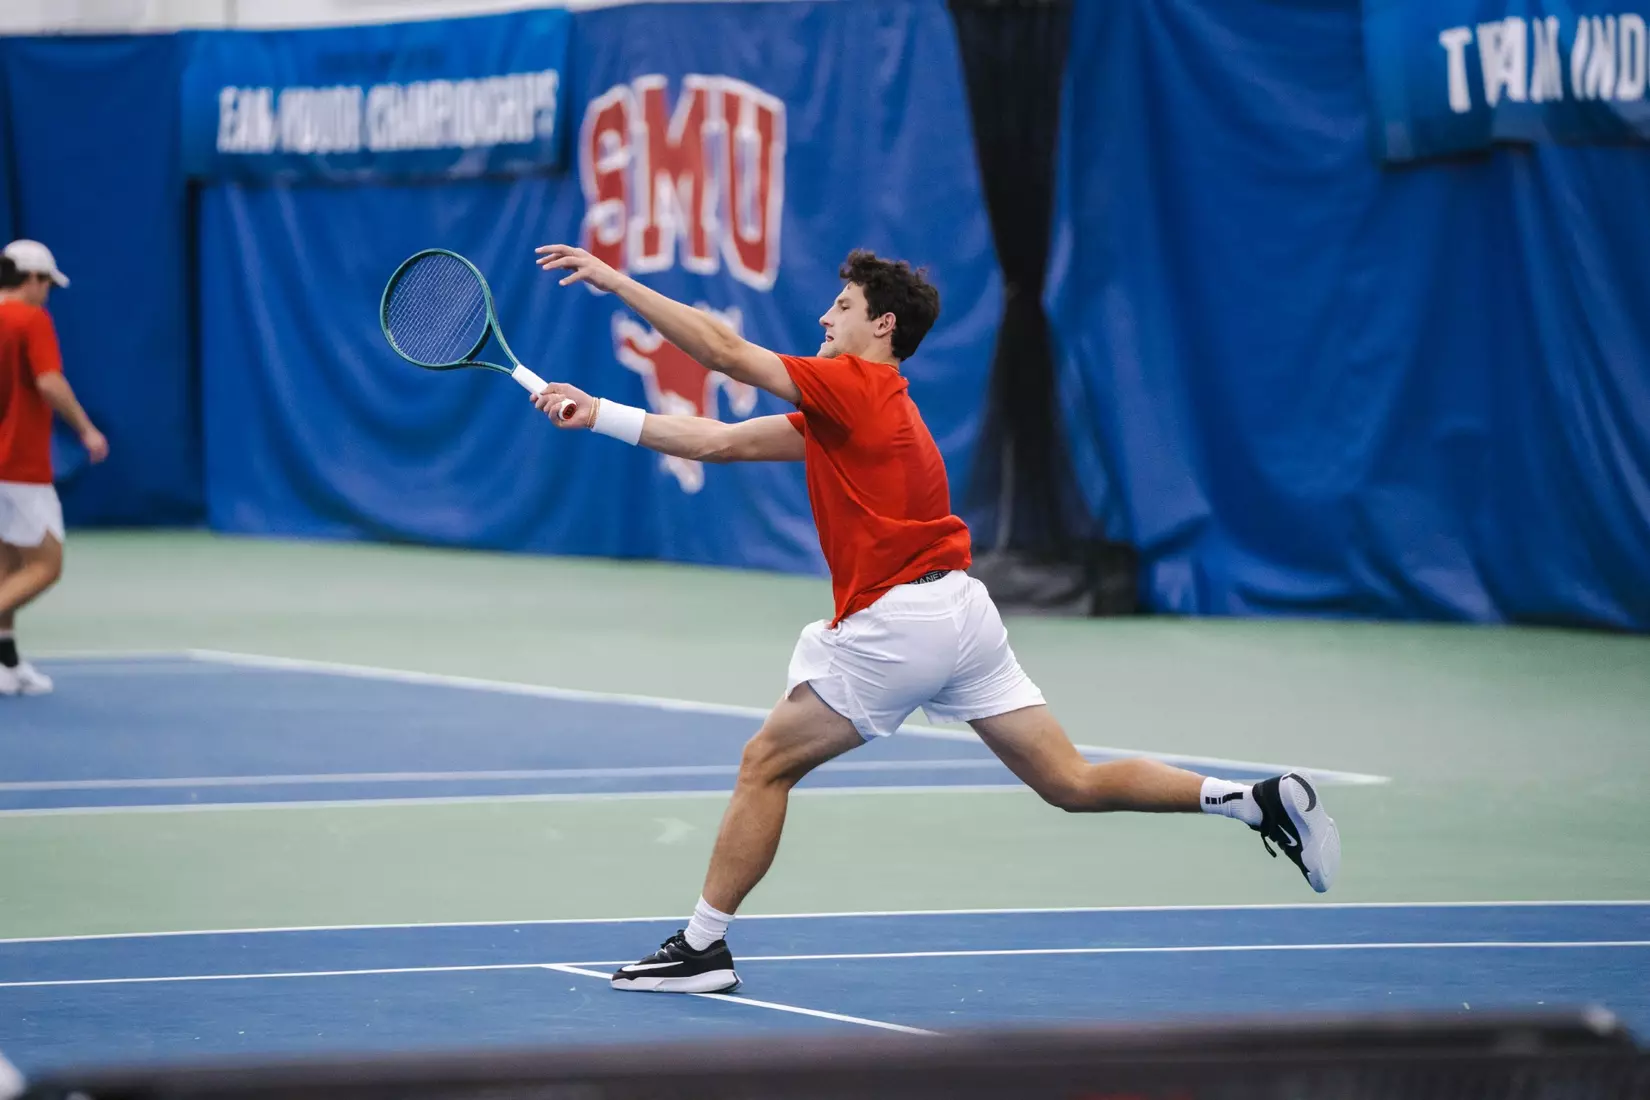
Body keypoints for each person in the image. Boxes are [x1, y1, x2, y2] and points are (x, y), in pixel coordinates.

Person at [530, 243, 1341, 994]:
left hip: (900, 625)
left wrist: (616, 281)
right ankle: (1250, 798)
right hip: (964, 616)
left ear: (881, 326)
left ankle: (703, 947)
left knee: (765, 765)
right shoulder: (862, 410)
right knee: (1071, 782)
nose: (824, 317)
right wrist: (595, 410)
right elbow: (720, 442)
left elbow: (724, 354)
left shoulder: (854, 386)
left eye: (840, 305)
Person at [0, 240, 108, 696]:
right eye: (47, 283)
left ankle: (5, 662)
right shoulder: (30, 319)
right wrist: (86, 430)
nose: (48, 293)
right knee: (46, 564)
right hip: (19, 465)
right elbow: (48, 381)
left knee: (7, 563)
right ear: (34, 279)